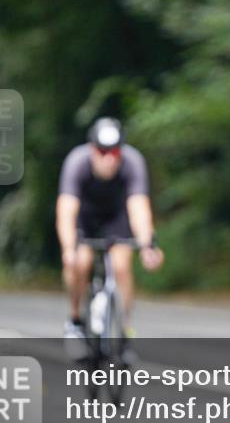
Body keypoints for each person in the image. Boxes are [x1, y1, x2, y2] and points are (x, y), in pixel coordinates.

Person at [57, 117, 163, 345]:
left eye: (113, 153)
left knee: (121, 266)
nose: (108, 159)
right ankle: (75, 319)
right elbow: (66, 210)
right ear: (92, 149)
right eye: (102, 153)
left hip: (117, 218)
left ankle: (124, 327)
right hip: (85, 220)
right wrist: (68, 249)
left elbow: (138, 208)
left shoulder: (133, 162)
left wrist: (147, 245)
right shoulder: (77, 162)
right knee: (79, 263)